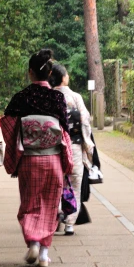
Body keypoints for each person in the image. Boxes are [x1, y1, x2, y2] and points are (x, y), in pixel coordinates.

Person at [1, 49, 73, 267]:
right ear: (50, 73)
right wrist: (67, 161)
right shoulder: (57, 97)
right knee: (50, 205)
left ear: (30, 72)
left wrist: (18, 146)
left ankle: (32, 241)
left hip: (29, 160)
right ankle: (43, 254)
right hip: (52, 160)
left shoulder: (21, 97)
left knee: (30, 203)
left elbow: (8, 126)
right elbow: (64, 130)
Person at [49, 64, 94, 235]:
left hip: (53, 147)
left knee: (55, 183)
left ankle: (55, 215)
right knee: (74, 183)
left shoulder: (49, 97)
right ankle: (69, 223)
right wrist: (87, 144)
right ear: (64, 77)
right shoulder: (75, 97)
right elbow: (84, 120)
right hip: (73, 145)